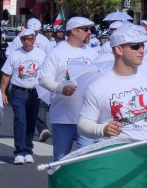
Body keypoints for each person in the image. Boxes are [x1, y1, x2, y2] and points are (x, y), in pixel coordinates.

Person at [77, 25, 147, 140]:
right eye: (135, 46)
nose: (141, 50)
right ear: (119, 50)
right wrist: (103, 129)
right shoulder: (97, 87)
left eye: (143, 45)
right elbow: (83, 124)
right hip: (115, 154)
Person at [39, 17, 98, 161]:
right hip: (63, 115)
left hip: (87, 115)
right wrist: (61, 88)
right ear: (73, 31)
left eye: (89, 29)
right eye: (85, 29)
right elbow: (43, 78)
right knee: (61, 158)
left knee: (86, 158)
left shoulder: (93, 53)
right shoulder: (57, 52)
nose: (89, 32)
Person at [0, 29, 46, 164]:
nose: (27, 42)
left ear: (34, 40)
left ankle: (28, 150)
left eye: (29, 39)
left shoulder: (41, 54)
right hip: (18, 92)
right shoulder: (15, 54)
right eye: (24, 39)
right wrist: (2, 93)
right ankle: (19, 152)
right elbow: (6, 75)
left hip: (35, 92)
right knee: (20, 120)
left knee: (31, 122)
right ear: (21, 40)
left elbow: (46, 74)